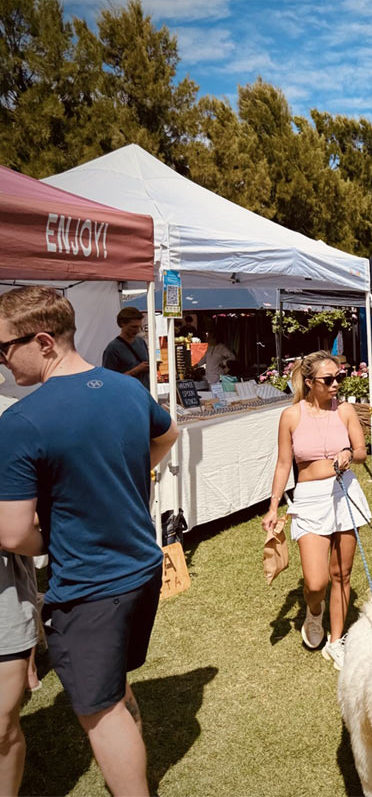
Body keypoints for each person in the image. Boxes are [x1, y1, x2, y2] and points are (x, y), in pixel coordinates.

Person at [0, 286, 180, 795]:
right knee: (115, 684)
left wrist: (45, 538)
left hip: (89, 586)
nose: (2, 361)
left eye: (4, 349)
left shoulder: (20, 422)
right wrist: (119, 477)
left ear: (42, 341)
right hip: (142, 571)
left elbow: (11, 532)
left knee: (100, 712)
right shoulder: (126, 391)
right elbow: (168, 436)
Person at [263, 351, 370, 669]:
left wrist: (350, 453)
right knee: (315, 582)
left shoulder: (346, 410)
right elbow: (284, 465)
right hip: (309, 497)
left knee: (342, 574)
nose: (336, 383)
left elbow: (363, 450)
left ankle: (337, 641)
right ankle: (314, 610)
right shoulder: (291, 416)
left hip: (344, 491)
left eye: (340, 377)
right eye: (328, 379)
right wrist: (273, 507)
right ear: (309, 382)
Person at [102, 306, 150, 385]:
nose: (137, 331)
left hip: (143, 391)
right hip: (126, 393)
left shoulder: (141, 342)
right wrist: (135, 371)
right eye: (133, 327)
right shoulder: (112, 349)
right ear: (122, 324)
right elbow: (109, 380)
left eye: (139, 327)